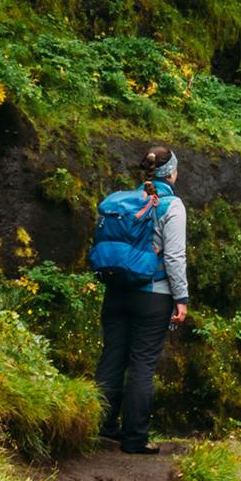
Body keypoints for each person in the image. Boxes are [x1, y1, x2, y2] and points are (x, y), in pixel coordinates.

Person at [95, 144, 189, 454]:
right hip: (153, 295)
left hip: (117, 290)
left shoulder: (125, 199)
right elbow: (174, 257)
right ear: (171, 173)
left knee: (112, 358)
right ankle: (134, 439)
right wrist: (181, 297)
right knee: (142, 365)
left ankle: (101, 427)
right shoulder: (171, 206)